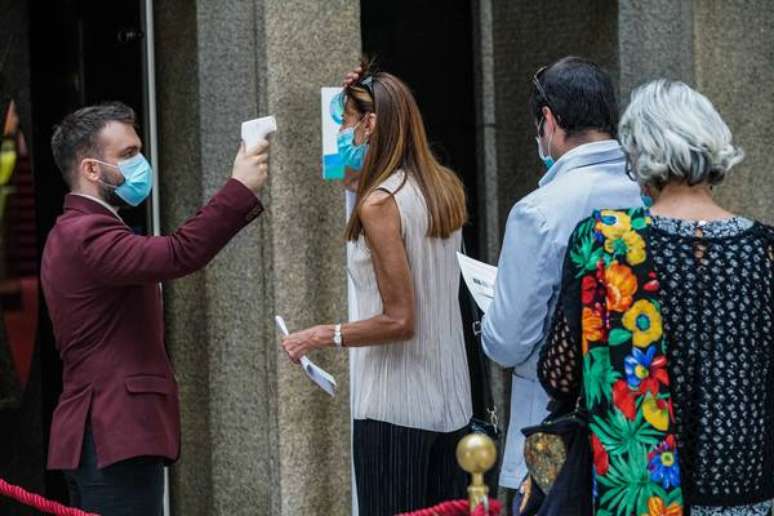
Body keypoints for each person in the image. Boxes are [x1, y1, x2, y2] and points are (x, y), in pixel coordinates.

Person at [538, 80, 773, 515]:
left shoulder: (605, 242)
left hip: (638, 493)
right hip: (746, 491)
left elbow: (559, 375)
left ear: (640, 153)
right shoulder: (765, 249)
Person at [41, 102, 270, 515]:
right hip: (113, 436)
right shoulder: (85, 232)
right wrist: (240, 188)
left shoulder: (85, 229)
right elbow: (178, 253)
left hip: (110, 436)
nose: (140, 163)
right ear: (91, 169)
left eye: (138, 150)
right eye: (127, 155)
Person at [281, 65, 472, 515]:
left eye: (346, 122)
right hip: (453, 405)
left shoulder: (380, 202)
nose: (342, 132)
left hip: (394, 410)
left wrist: (320, 335)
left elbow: (399, 319)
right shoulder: (444, 188)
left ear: (369, 125)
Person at [479, 56, 644, 497]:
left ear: (548, 122)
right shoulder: (649, 193)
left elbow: (507, 341)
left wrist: (491, 315)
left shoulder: (540, 211)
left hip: (555, 438)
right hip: (640, 436)